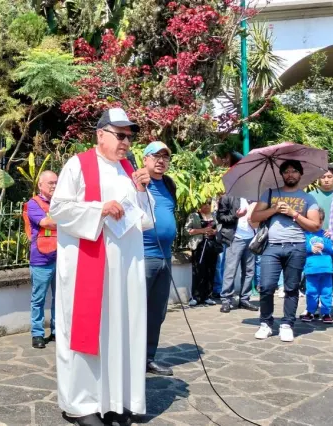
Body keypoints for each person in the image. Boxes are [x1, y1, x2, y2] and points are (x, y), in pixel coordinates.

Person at [49, 108, 154, 426]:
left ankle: (117, 400)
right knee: (87, 335)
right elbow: (60, 209)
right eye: (120, 135)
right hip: (88, 268)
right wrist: (99, 208)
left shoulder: (128, 168)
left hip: (123, 270)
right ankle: (81, 405)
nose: (126, 142)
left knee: (121, 331)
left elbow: (145, 220)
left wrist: (140, 190)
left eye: (129, 136)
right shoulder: (78, 166)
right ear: (100, 134)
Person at [251, 159, 321, 342]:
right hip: (271, 246)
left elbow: (314, 226)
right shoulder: (270, 193)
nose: (290, 174)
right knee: (266, 287)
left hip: (296, 246)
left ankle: (287, 324)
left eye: (294, 171)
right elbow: (254, 218)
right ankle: (265, 323)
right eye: (287, 171)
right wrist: (274, 209)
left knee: (291, 288)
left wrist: (294, 213)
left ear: (300, 174)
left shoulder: (308, 198)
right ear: (282, 174)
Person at [142, 141, 177, 377]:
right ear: (145, 158)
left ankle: (148, 357)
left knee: (157, 312)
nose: (161, 161)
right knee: (137, 311)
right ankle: (130, 358)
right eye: (156, 156)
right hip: (143, 256)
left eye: (166, 157)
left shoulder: (169, 184)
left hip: (165, 257)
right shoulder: (137, 180)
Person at [26, 171, 58, 349]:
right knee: (38, 299)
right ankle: (37, 333)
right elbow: (47, 223)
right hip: (41, 259)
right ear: (40, 185)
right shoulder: (33, 204)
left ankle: (56, 331)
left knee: (59, 298)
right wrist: (69, 218)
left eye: (56, 183)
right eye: (50, 183)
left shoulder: (60, 203)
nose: (54, 186)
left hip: (60, 258)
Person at [218, 195, 258, 313]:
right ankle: (226, 300)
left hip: (251, 238)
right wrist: (236, 216)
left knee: (249, 271)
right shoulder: (228, 197)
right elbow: (220, 217)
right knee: (230, 270)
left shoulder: (253, 198)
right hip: (235, 237)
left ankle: (244, 299)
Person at [301, 208, 333, 324]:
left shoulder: (326, 235)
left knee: (326, 291)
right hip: (311, 269)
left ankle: (326, 312)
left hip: (326, 269)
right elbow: (301, 249)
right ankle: (310, 311)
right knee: (311, 292)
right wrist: (311, 248)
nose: (317, 224)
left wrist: (324, 246)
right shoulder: (304, 234)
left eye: (320, 221)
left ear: (322, 221)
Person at [184, 201, 219, 306]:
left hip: (212, 246)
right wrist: (202, 230)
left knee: (210, 271)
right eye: (204, 203)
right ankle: (196, 296)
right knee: (198, 270)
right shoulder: (194, 216)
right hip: (199, 246)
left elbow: (219, 228)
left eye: (209, 203)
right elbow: (186, 230)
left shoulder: (214, 215)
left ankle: (208, 295)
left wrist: (214, 232)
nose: (207, 205)